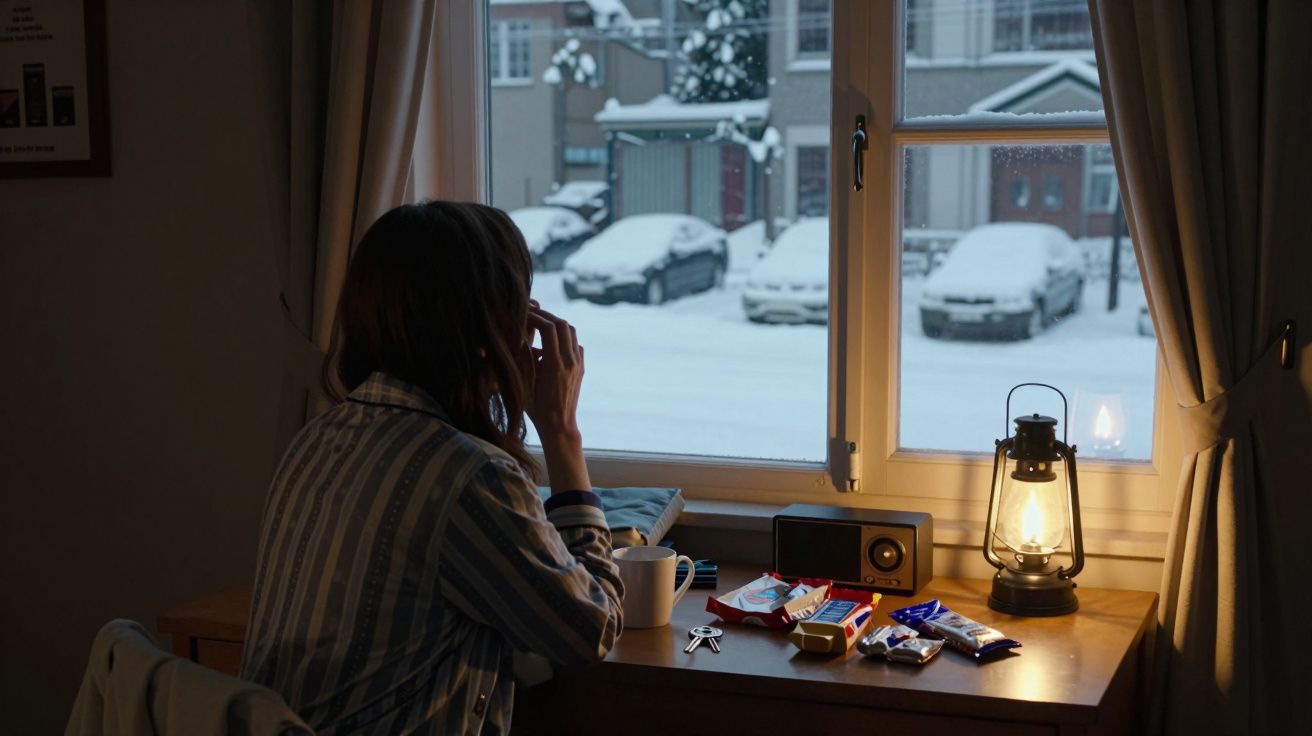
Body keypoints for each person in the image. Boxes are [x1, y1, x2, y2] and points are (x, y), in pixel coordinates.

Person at [240, 201, 622, 735]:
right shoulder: (469, 476)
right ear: (490, 329)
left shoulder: (317, 438)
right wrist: (562, 435)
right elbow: (590, 630)